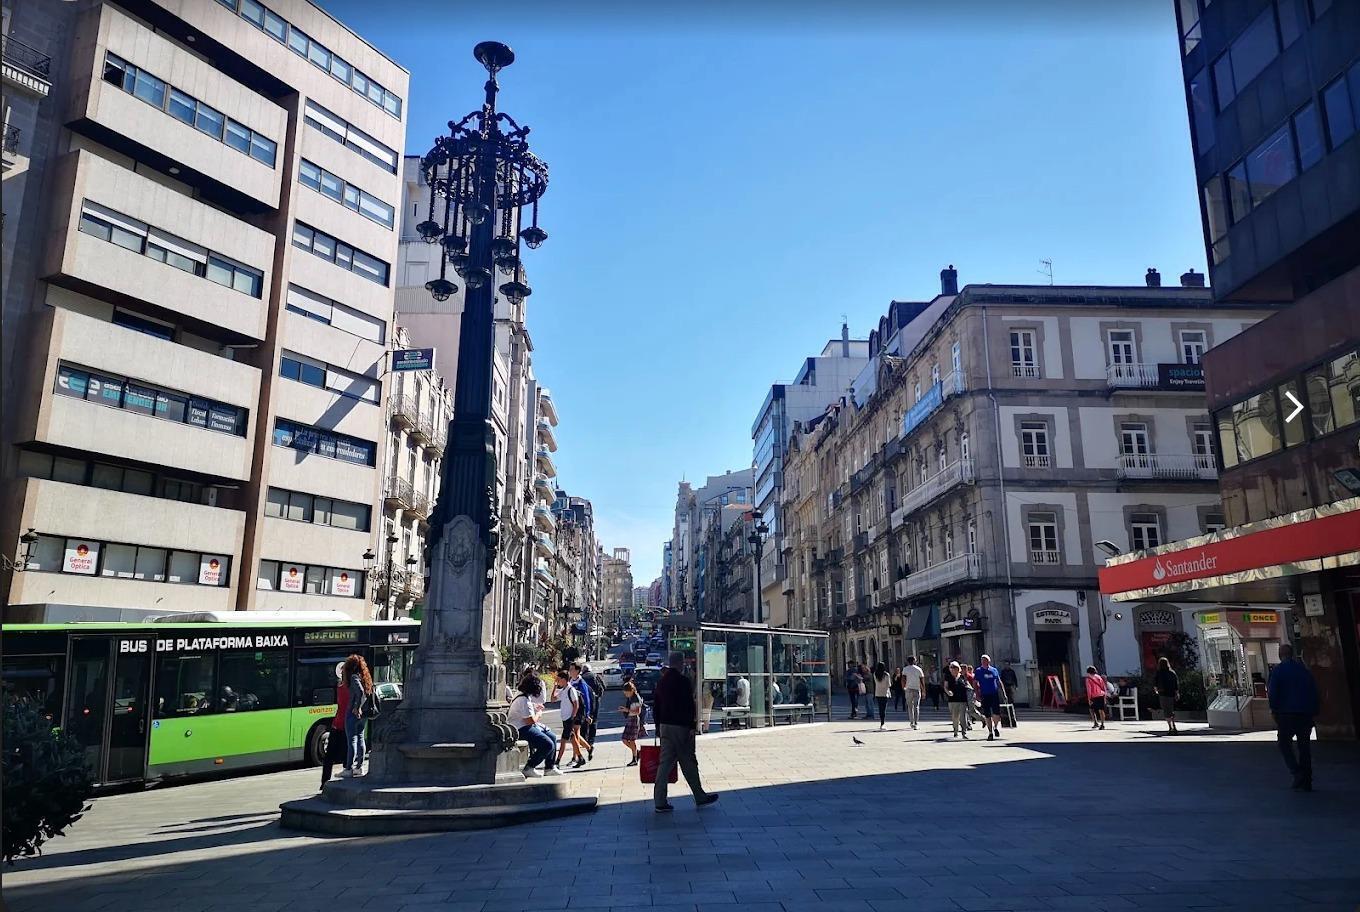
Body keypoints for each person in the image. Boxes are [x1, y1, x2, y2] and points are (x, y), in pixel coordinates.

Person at [652, 652, 719, 813]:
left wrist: (658, 727)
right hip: (680, 727)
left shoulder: (662, 682)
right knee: (689, 761)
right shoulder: (683, 681)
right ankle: (699, 795)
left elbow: (656, 706)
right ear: (680, 663)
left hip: (665, 726)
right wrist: (692, 726)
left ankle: (659, 800)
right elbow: (689, 705)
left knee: (665, 763)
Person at [1267, 643, 1320, 792]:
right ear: (1292, 654)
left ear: (1280, 655)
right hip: (1304, 714)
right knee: (1304, 747)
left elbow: (1273, 693)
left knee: (1284, 744)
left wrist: (1274, 710)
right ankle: (1307, 779)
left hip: (1286, 715)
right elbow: (1314, 691)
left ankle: (1297, 772)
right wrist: (1314, 710)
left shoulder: (1277, 672)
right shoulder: (1304, 670)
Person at [508, 675, 561, 778]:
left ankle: (550, 767)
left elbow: (527, 709)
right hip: (520, 728)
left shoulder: (522, 695)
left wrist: (535, 707)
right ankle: (529, 767)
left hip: (524, 726)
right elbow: (530, 720)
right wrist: (539, 713)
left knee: (552, 737)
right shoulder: (523, 699)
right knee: (547, 744)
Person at [341, 654, 373, 777]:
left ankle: (349, 768)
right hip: (363, 714)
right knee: (360, 738)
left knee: (351, 740)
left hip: (354, 712)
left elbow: (359, 692)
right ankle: (359, 767)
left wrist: (356, 707)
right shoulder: (365, 677)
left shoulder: (354, 677)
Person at [319, 662, 348, 790]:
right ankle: (344, 780)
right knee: (345, 754)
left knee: (329, 757)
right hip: (344, 725)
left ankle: (324, 782)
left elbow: (341, 706)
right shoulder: (348, 687)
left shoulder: (341, 687)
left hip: (339, 725)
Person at [552, 669, 589, 768]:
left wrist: (572, 717)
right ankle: (580, 758)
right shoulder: (563, 690)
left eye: (559, 679)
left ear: (564, 679)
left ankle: (557, 761)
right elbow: (553, 699)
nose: (558, 681)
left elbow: (576, 704)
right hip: (565, 719)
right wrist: (555, 687)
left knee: (563, 740)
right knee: (573, 739)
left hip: (569, 719)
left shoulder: (570, 689)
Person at [568, 663, 597, 765]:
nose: (570, 671)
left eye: (572, 669)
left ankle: (577, 757)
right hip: (572, 710)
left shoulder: (581, 683)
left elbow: (587, 699)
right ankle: (587, 749)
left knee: (573, 734)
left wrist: (588, 714)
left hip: (579, 711)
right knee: (575, 734)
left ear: (577, 671)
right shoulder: (571, 681)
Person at [578, 662, 605, 761]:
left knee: (584, 720)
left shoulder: (581, 678)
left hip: (585, 702)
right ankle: (591, 740)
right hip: (596, 702)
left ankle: (584, 738)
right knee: (594, 721)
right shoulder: (596, 676)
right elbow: (603, 688)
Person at [974, 655, 1004, 740]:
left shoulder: (994, 670)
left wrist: (1003, 693)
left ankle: (996, 727)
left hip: (994, 694)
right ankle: (990, 732)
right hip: (985, 695)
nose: (983, 661)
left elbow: (999, 681)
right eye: (982, 660)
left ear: (989, 661)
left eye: (985, 660)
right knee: (987, 714)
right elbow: (975, 683)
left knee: (996, 713)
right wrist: (977, 694)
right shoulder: (978, 671)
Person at [619, 680, 646, 766]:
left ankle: (635, 758)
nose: (626, 695)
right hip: (630, 719)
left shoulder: (636, 698)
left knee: (631, 740)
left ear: (631, 690)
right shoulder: (631, 698)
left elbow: (638, 711)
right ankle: (637, 752)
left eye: (627, 693)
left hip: (634, 719)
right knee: (625, 739)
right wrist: (625, 709)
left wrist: (627, 710)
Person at [1153, 657, 1180, 735]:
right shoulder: (1172, 673)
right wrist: (1177, 693)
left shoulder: (1159, 673)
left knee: (1166, 711)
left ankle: (1170, 727)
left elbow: (1155, 683)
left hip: (1163, 694)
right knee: (1171, 710)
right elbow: (1176, 684)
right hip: (1171, 694)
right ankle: (1173, 725)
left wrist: (1156, 691)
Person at [945, 661, 969, 738]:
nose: (953, 669)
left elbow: (967, 685)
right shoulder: (948, 677)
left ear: (958, 669)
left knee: (963, 717)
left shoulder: (962, 677)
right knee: (955, 717)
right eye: (951, 667)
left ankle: (964, 732)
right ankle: (955, 731)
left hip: (962, 699)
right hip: (952, 700)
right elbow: (945, 687)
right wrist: (948, 692)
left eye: (954, 668)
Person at [902, 657, 925, 730]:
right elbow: (922, 680)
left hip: (908, 689)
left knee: (910, 706)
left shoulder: (905, 669)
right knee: (916, 706)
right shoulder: (918, 669)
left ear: (908, 661)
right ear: (914, 661)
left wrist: (903, 687)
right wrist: (923, 690)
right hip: (917, 689)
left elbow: (903, 679)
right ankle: (916, 723)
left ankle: (911, 722)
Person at [1084, 665, 1109, 730]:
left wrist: (1089, 699)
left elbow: (1089, 690)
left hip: (1094, 696)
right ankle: (1102, 724)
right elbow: (1103, 687)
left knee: (1091, 709)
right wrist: (1105, 695)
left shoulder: (1088, 679)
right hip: (1101, 694)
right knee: (1101, 710)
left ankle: (1095, 722)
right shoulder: (1099, 677)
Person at [871, 662, 891, 730]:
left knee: (880, 708)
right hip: (885, 693)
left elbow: (875, 683)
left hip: (878, 693)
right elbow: (889, 685)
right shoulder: (886, 675)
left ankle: (881, 722)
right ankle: (883, 723)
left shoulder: (875, 674)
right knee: (884, 708)